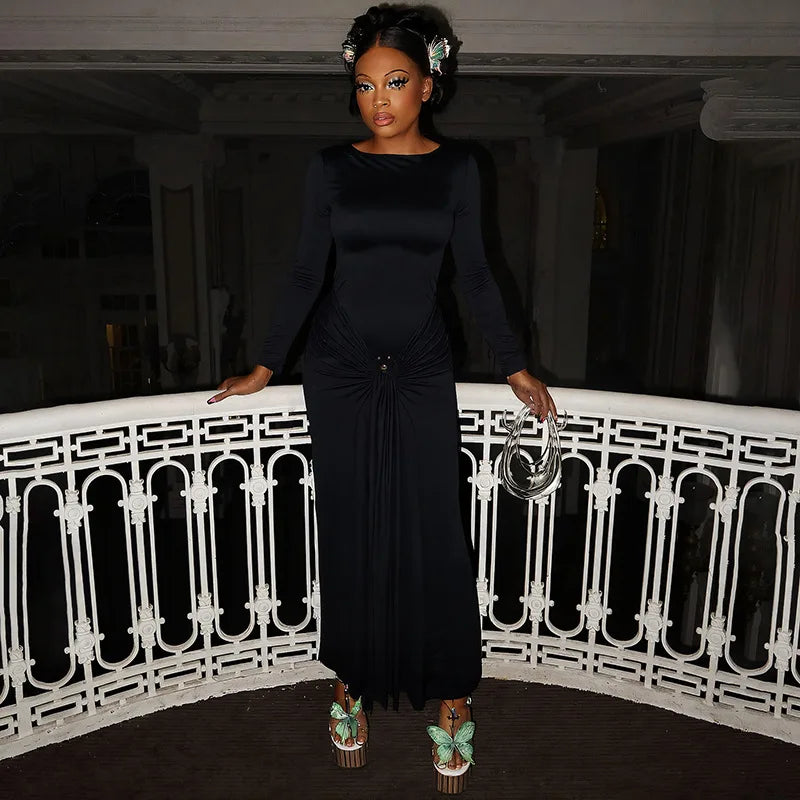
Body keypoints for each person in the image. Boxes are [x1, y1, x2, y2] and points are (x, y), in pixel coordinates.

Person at [207, 4, 557, 793]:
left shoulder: (458, 170)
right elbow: (307, 271)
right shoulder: (330, 169)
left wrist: (514, 367)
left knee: (436, 528)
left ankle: (453, 691)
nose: (379, 100)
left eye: (395, 82)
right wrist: (266, 365)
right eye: (365, 85)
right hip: (339, 369)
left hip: (424, 366)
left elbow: (476, 273)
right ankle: (349, 684)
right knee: (351, 526)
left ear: (429, 85)